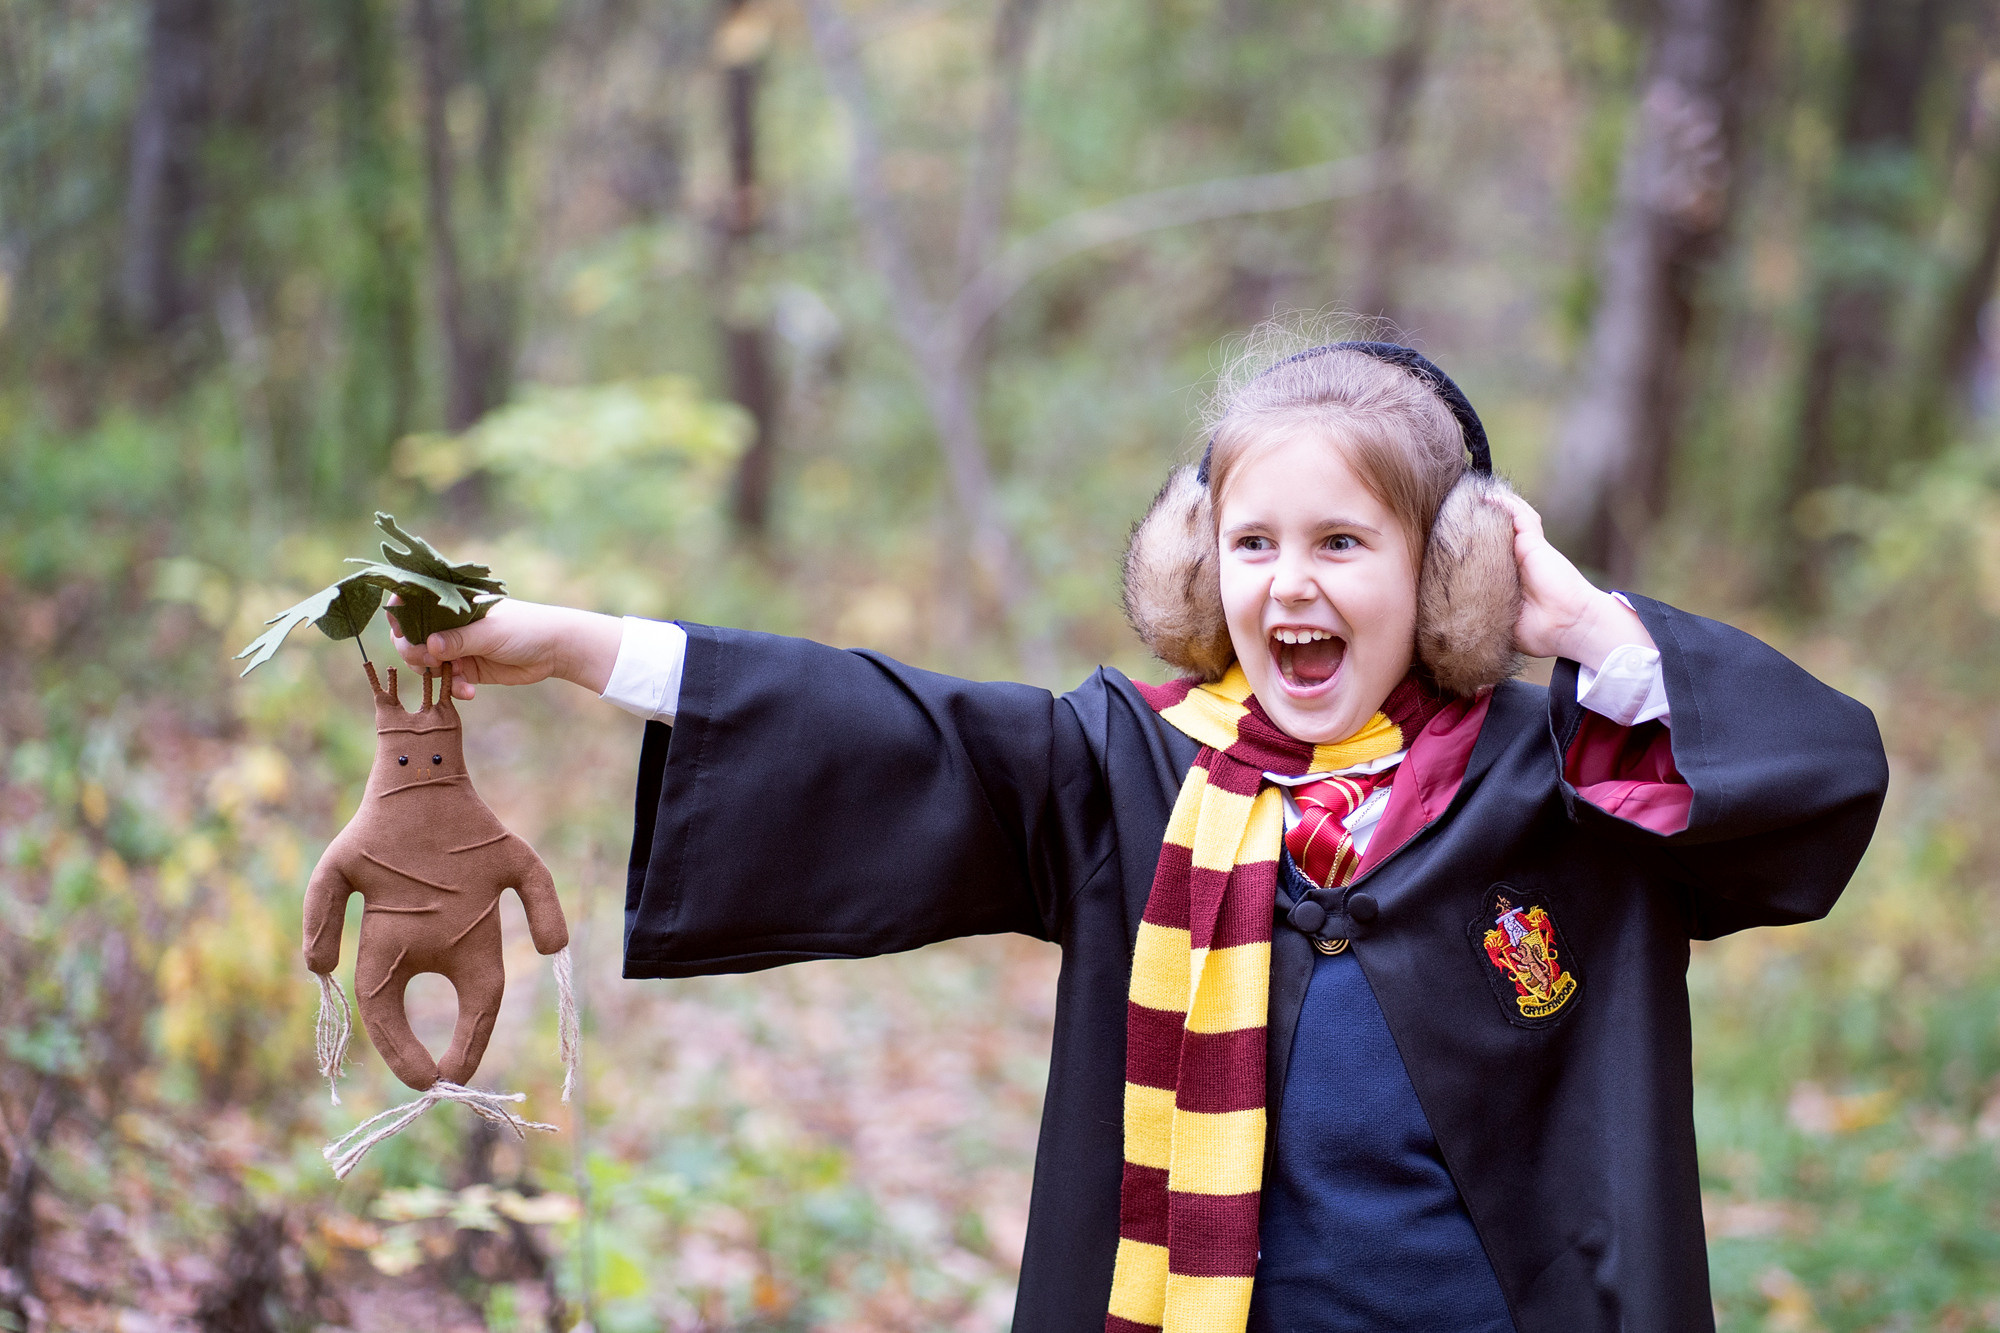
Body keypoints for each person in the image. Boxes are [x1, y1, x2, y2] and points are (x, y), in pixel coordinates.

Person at [391, 334, 1889, 1333]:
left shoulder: (1568, 778)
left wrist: (1581, 626)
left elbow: (1814, 777)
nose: (1289, 583)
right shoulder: (1131, 767)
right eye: (1255, 542)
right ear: (1202, 559)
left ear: (1440, 572)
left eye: (1344, 544)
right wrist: (575, 642)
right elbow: (880, 725)